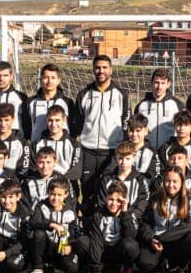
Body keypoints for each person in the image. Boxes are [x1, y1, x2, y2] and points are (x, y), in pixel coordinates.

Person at [75, 55, 129, 200]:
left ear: (111, 70)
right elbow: (78, 123)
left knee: (107, 193)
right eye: (98, 67)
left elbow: (125, 122)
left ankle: (104, 222)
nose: (101, 71)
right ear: (93, 69)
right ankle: (86, 221)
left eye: (104, 67)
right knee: (87, 193)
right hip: (88, 151)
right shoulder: (83, 94)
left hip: (111, 152)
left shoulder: (121, 94)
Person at [25, 62, 80, 144]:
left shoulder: (68, 102)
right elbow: (26, 127)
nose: (49, 81)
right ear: (40, 80)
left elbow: (73, 128)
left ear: (59, 80)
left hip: (62, 149)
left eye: (53, 78)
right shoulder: (30, 102)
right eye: (46, 77)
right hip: (39, 151)